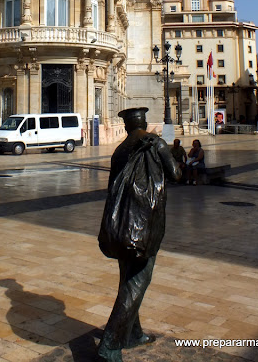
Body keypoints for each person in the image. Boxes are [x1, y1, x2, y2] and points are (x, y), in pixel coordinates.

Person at [98, 107, 180, 362]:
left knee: (128, 280)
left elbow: (113, 188)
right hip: (144, 224)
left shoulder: (119, 151)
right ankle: (109, 345)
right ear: (144, 122)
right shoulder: (156, 144)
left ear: (125, 127)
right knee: (137, 282)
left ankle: (134, 333)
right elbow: (175, 175)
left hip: (122, 226)